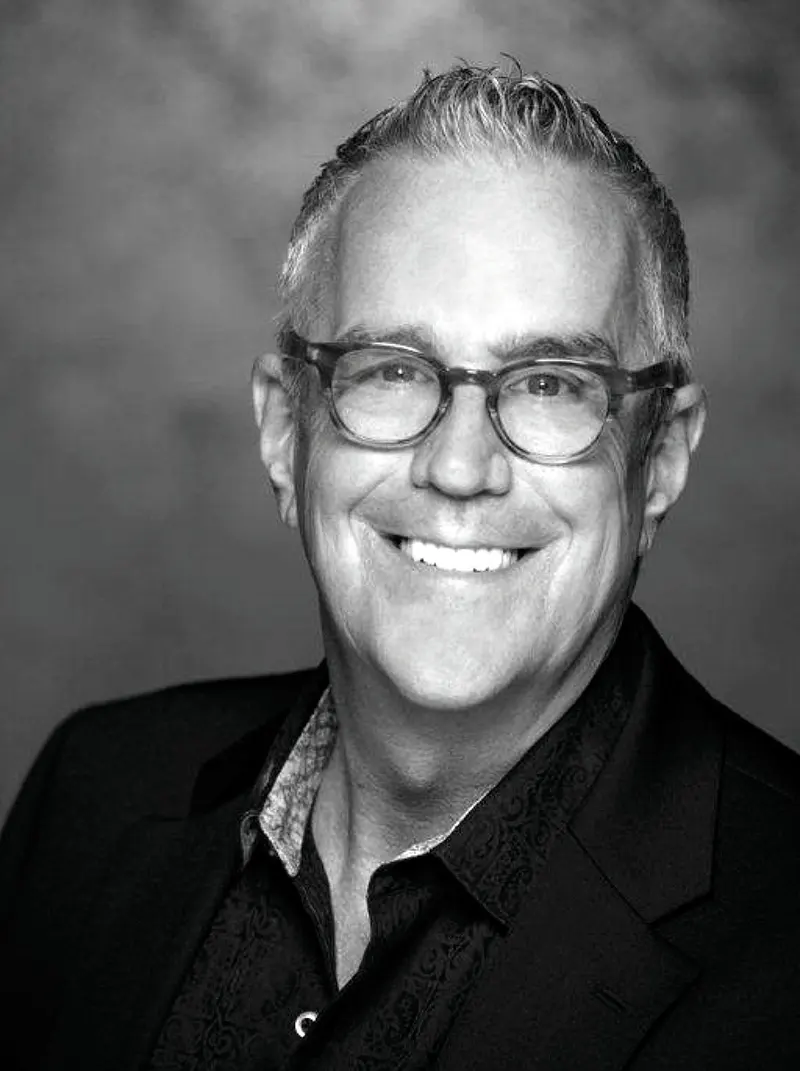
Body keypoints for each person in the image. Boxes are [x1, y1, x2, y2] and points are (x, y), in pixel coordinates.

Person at [1, 64, 798, 1071]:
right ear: (285, 430)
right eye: (390, 370)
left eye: (551, 383)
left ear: (661, 458)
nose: (458, 467)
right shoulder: (95, 794)